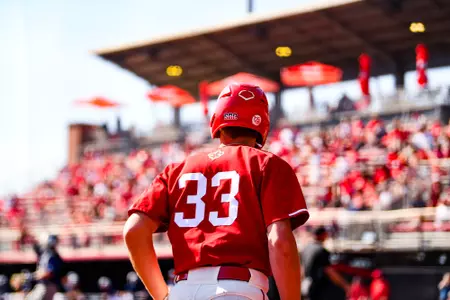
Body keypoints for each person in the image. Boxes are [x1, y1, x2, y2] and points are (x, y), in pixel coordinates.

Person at [124, 83, 310, 300]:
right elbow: (280, 242)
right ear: (262, 124)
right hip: (239, 290)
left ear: (217, 123)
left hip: (182, 291)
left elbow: (133, 231)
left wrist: (162, 296)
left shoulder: (176, 170)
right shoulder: (267, 163)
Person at [301, 226, 350, 300]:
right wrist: (345, 285)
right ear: (324, 234)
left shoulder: (306, 248)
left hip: (307, 285)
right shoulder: (321, 250)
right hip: (319, 288)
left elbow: (302, 268)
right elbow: (329, 271)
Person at [26, 234, 65, 300]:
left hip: (49, 285)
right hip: (43, 285)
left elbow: (49, 273)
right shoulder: (45, 254)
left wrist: (32, 276)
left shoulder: (53, 256)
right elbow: (35, 247)